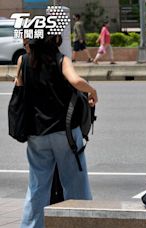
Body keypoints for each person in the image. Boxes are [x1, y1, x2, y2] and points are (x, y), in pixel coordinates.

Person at [15, 32, 98, 228]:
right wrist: (92, 91)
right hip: (65, 133)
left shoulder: (23, 61)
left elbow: (19, 88)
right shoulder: (61, 60)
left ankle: (31, 225)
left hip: (36, 133)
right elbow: (76, 81)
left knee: (37, 186)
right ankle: (80, 223)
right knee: (75, 183)